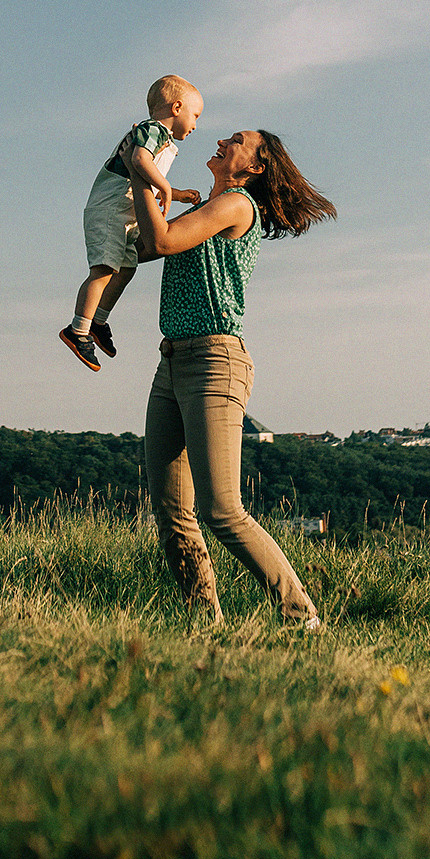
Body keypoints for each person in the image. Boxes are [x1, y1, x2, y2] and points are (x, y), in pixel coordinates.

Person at [129, 129, 336, 625]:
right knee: (172, 515)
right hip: (172, 361)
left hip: (214, 362)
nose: (222, 139)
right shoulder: (205, 211)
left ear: (255, 166)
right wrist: (149, 191)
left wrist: (139, 170)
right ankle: (205, 625)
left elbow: (158, 241)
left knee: (222, 510)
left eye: (237, 140)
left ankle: (300, 613)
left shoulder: (238, 205)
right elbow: (141, 247)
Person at [60, 75, 204, 372]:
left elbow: (143, 177)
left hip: (127, 213)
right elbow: (139, 161)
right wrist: (166, 189)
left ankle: (97, 321)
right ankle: (78, 329)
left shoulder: (161, 139)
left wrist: (174, 194)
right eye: (195, 116)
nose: (195, 125)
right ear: (177, 107)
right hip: (112, 210)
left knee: (126, 269)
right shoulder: (153, 131)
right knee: (103, 269)